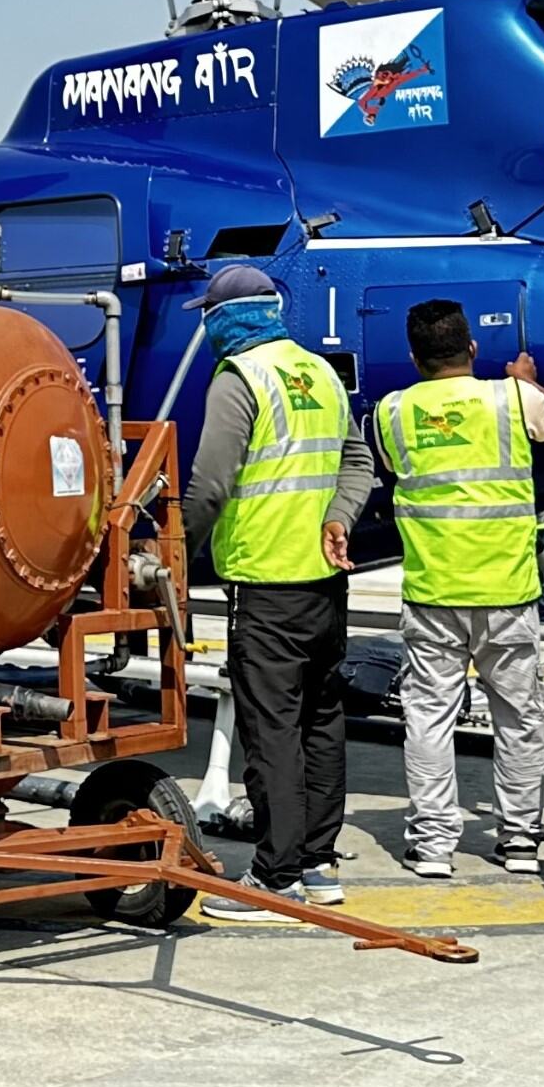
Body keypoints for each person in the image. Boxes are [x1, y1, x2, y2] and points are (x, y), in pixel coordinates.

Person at [178, 264, 375, 918]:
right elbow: (358, 460)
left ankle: (276, 873)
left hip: (266, 584)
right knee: (322, 724)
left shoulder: (240, 379)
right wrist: (340, 518)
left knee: (273, 735)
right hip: (324, 585)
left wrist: (175, 547)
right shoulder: (318, 371)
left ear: (227, 317)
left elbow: (209, 483)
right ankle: (318, 864)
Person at [374, 299, 544, 878]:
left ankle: (433, 846)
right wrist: (529, 383)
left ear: (414, 356)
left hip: (433, 593)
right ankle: (519, 841)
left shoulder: (394, 411)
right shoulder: (510, 398)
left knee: (428, 718)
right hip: (506, 590)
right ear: (473, 349)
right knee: (519, 718)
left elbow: (389, 466)